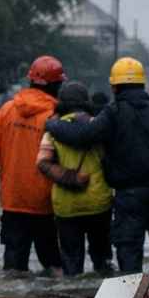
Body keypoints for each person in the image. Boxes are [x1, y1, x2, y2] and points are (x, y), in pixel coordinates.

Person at [43, 56, 149, 277]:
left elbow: (82, 136)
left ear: (114, 86)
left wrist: (52, 124)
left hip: (128, 197)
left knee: (129, 264)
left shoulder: (113, 114)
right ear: (143, 85)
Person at [0, 54, 66, 272]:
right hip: (46, 202)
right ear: (56, 84)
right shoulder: (56, 115)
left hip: (13, 200)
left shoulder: (8, 109)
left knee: (14, 266)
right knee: (54, 264)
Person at [36, 81, 114, 276]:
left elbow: (42, 163)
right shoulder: (98, 128)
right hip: (99, 203)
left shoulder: (52, 132)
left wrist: (70, 177)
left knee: (71, 263)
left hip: (66, 206)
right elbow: (110, 161)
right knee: (102, 259)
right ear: (86, 101)